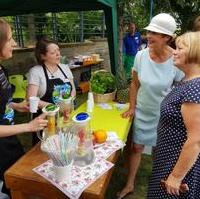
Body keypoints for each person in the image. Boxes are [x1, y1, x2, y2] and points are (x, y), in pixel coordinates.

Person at [117, 13, 185, 199]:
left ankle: (156, 183)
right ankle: (130, 184)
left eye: (154, 32)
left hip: (164, 115)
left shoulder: (176, 61)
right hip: (143, 110)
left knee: (158, 151)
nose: (148, 35)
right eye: (149, 31)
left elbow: (179, 91)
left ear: (167, 38)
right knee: (136, 147)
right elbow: (134, 84)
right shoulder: (140, 56)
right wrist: (132, 107)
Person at [147, 31, 200, 198]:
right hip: (168, 157)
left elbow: (195, 139)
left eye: (179, 48)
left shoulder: (194, 88)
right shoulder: (186, 81)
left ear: (195, 52)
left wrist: (176, 177)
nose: (174, 52)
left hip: (176, 163)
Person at [0, 18, 47, 195]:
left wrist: (16, 106)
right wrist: (28, 126)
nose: (14, 43)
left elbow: (3, 103)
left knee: (17, 184)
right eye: (10, 38)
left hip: (9, 140)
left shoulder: (1, 70)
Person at [27, 37, 76, 145]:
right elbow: (31, 99)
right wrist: (54, 107)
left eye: (58, 50)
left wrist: (68, 103)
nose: (58, 54)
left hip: (65, 117)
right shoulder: (36, 72)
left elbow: (73, 90)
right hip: (45, 121)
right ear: (43, 56)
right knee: (46, 151)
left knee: (66, 146)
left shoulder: (65, 68)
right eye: (53, 52)